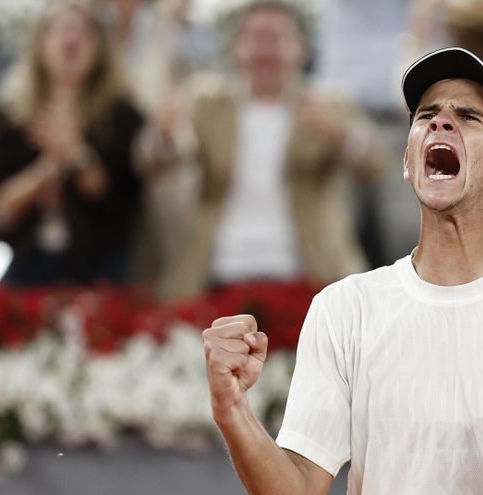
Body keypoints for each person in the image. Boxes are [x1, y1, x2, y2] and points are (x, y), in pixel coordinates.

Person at [202, 47, 483, 494]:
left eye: (469, 116)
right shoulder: (343, 308)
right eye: (426, 116)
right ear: (408, 161)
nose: (440, 122)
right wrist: (231, 409)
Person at [144, 0, 389, 301]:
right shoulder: (207, 103)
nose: (265, 50)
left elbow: (378, 164)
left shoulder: (329, 104)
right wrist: (165, 138)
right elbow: (154, 159)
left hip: (309, 277)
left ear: (300, 48)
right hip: (219, 275)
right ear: (235, 48)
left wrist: (341, 134)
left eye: (276, 38)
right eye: (255, 38)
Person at [0, 0, 144, 286]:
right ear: (40, 45)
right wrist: (47, 168)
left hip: (98, 266)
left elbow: (111, 192)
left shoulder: (121, 116)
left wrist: (76, 153)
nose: (71, 38)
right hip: (26, 263)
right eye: (60, 29)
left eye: (83, 31)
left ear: (100, 48)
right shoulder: (11, 115)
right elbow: (1, 209)